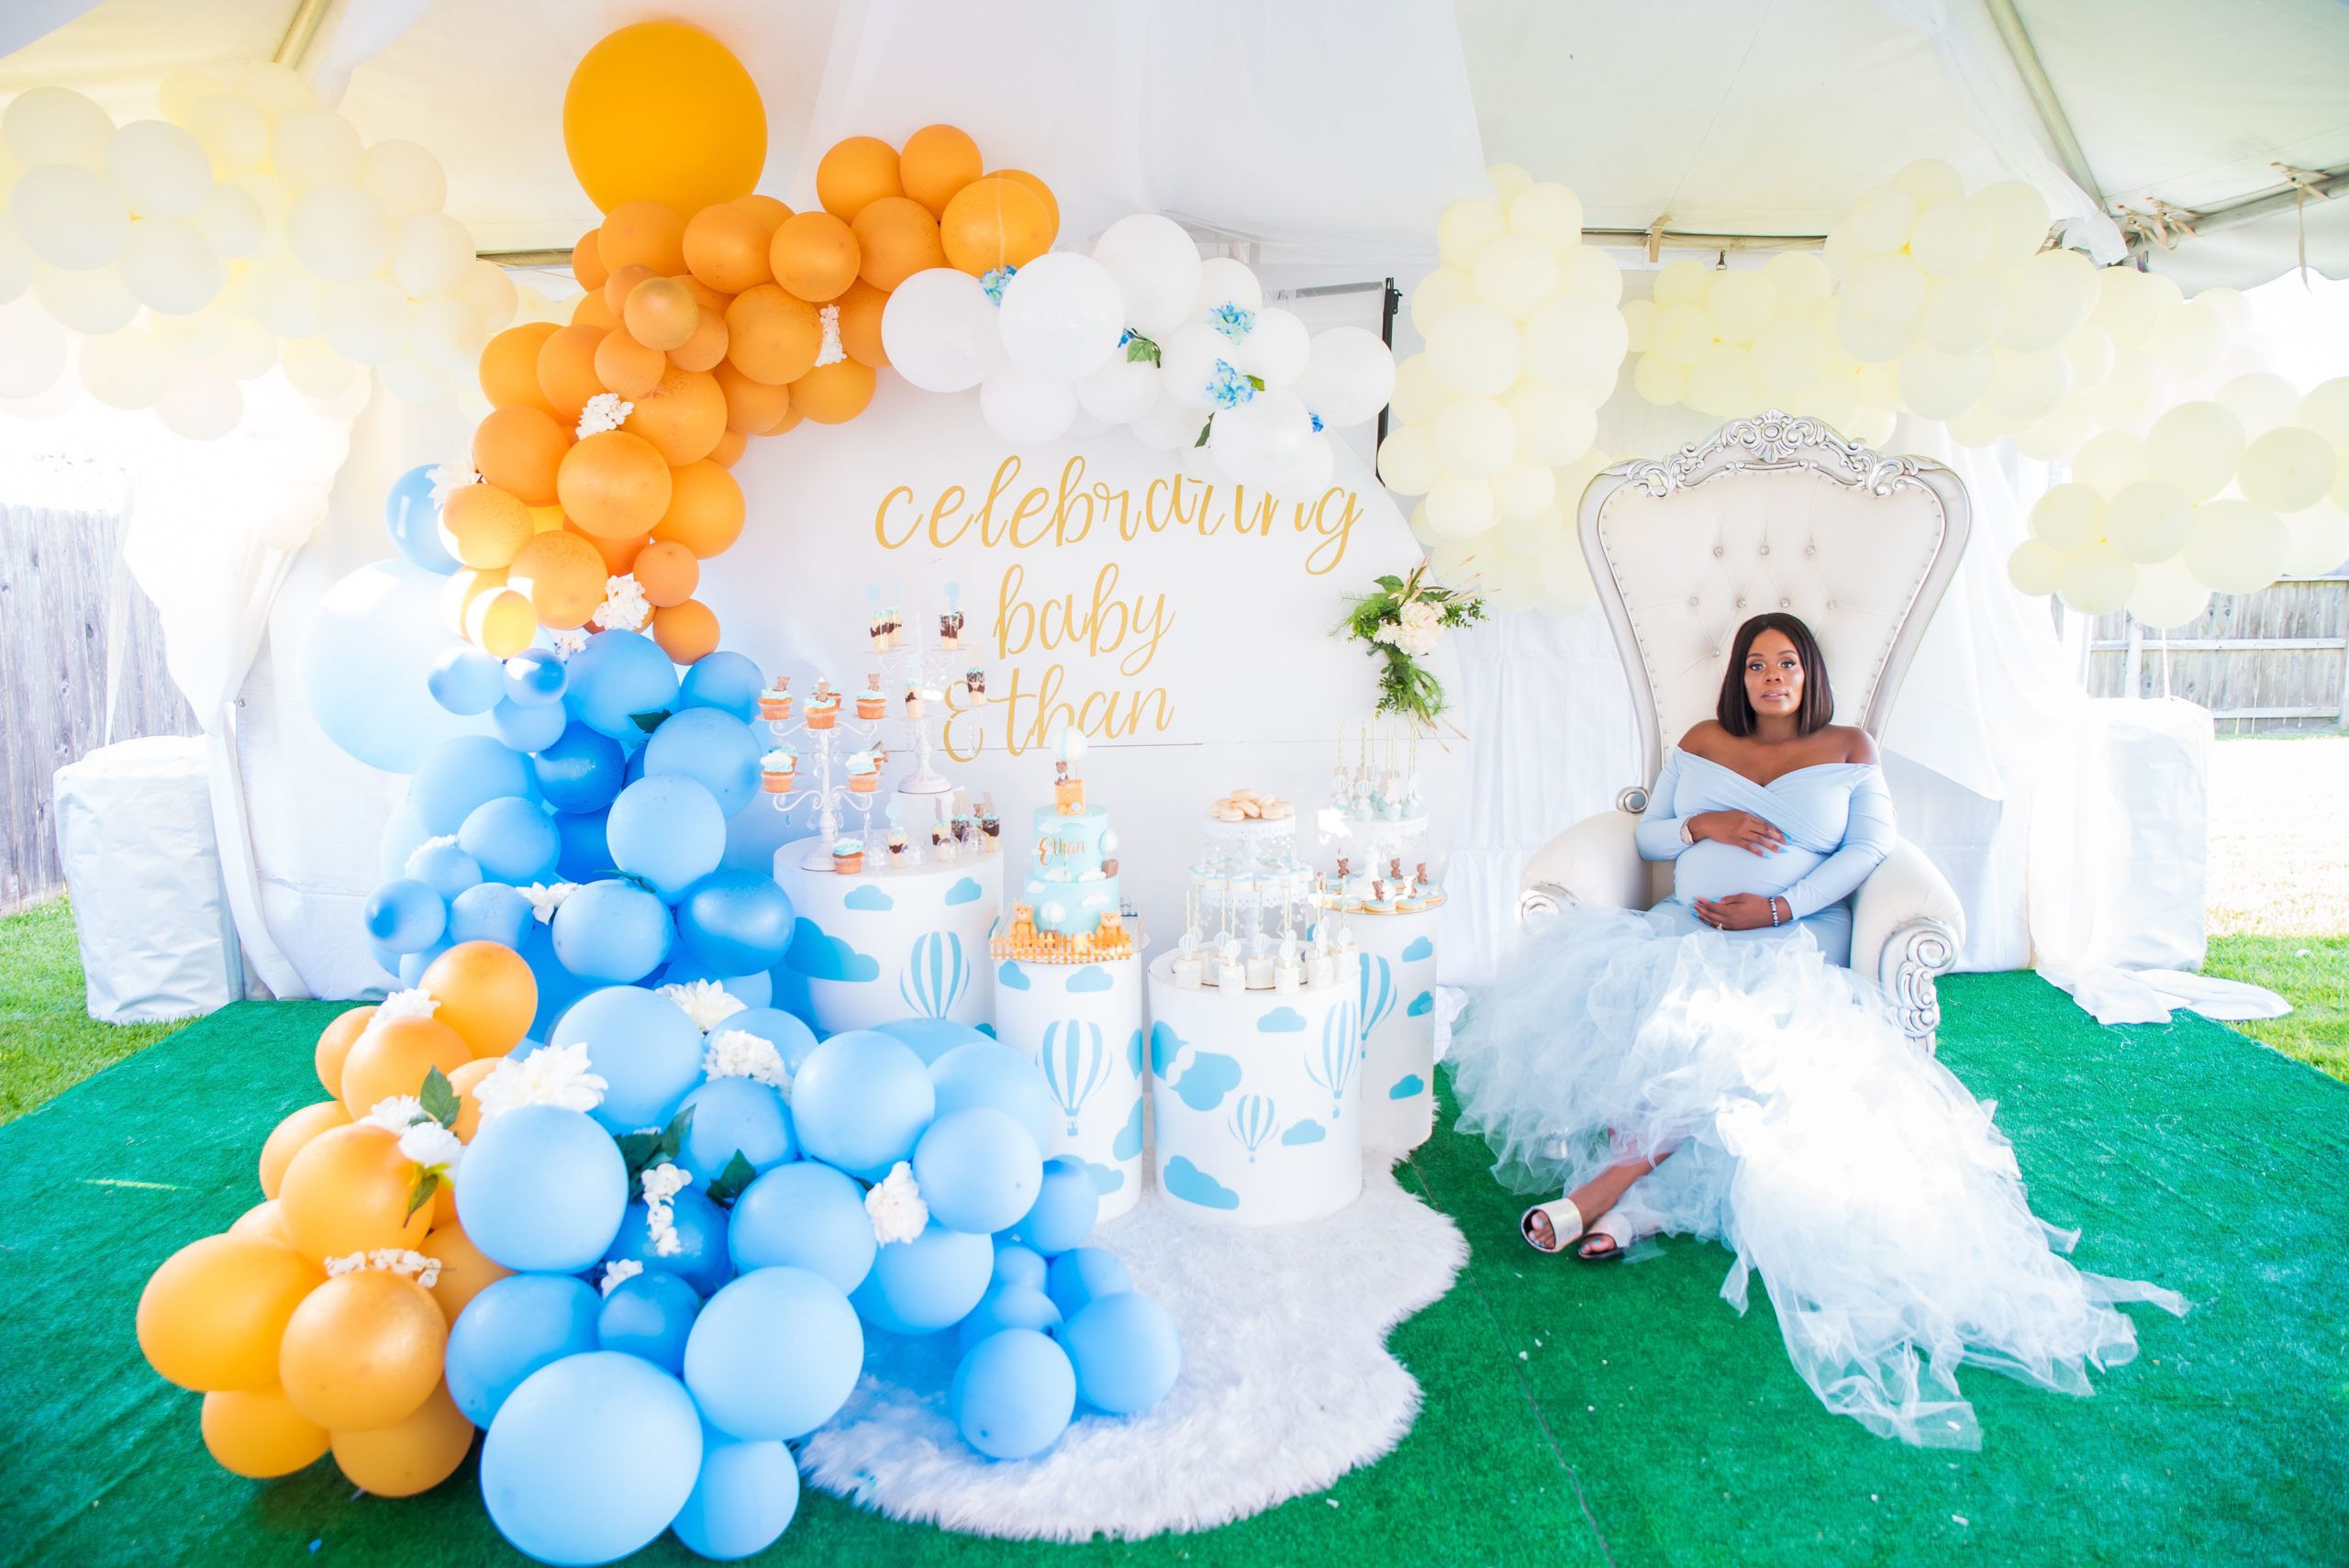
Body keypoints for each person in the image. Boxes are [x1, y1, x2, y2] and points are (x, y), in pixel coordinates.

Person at [1447, 612, 2185, 1448]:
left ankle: (1605, 1192)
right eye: (1756, 663)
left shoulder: (1848, 746)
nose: (1771, 676)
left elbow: (1870, 849)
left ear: (1808, 673)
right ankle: (1643, 1206)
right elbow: (1650, 832)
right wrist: (1706, 825)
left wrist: (1777, 903)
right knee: (1647, 1022)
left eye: (1786, 662)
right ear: (1739, 675)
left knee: (1721, 1036)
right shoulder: (1699, 740)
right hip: (1690, 928)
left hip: (1794, 938)